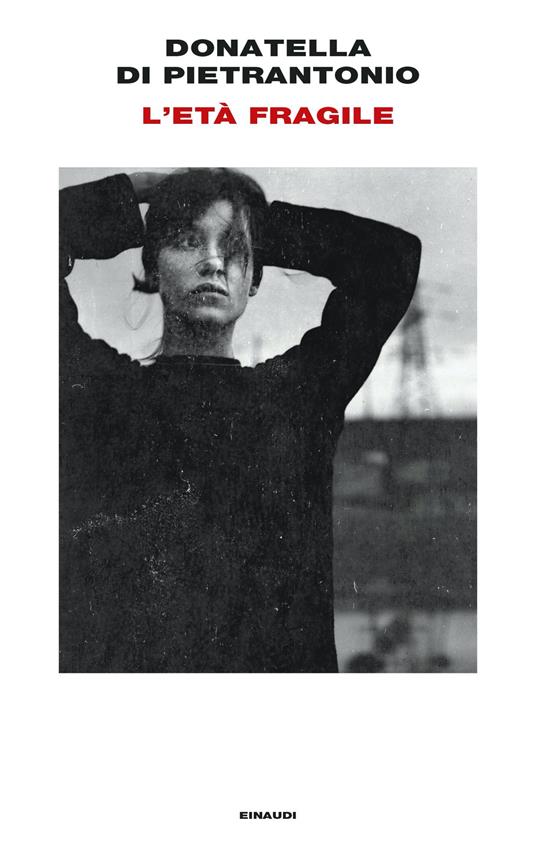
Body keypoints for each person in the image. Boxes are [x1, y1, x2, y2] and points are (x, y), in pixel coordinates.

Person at [59, 168, 421, 673]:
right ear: (154, 267)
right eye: (187, 241)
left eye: (232, 249)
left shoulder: (299, 401)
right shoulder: (97, 395)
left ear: (254, 279)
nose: (212, 262)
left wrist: (257, 218)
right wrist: (127, 193)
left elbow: (390, 258)